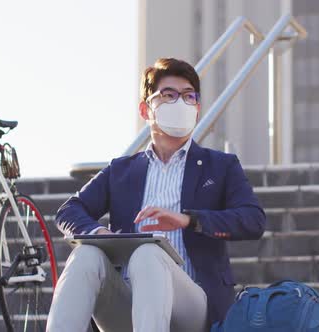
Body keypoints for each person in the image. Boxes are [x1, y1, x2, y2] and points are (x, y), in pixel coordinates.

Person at [46, 58, 266, 332]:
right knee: (85, 255)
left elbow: (253, 220)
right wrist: (98, 234)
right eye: (169, 95)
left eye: (188, 96)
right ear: (145, 109)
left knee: (149, 253)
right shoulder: (121, 170)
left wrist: (188, 220)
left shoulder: (220, 166)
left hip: (194, 307)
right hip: (127, 304)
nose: (180, 103)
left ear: (197, 108)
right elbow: (69, 211)